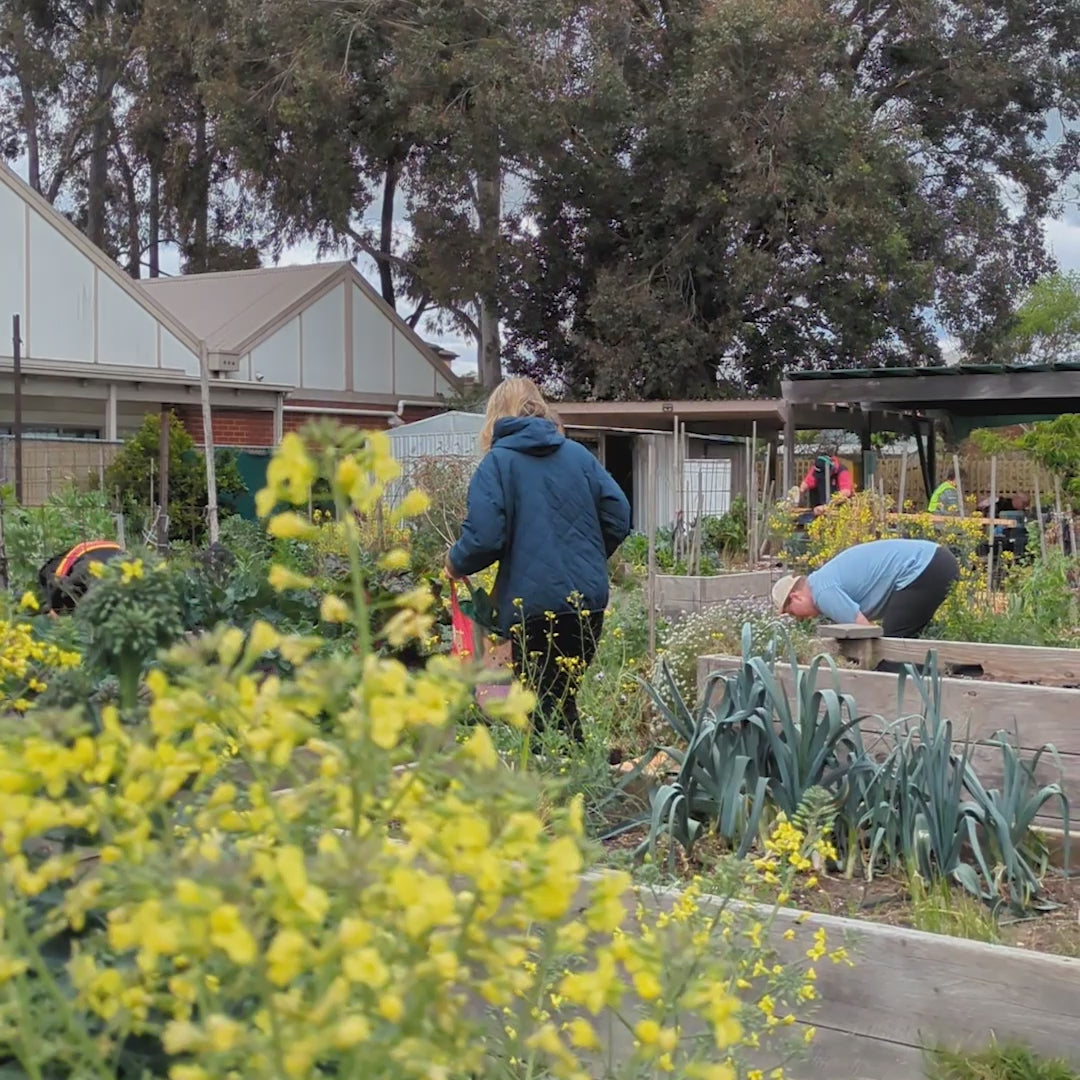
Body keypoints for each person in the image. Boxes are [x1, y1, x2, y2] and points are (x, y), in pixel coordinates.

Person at [446, 377, 631, 742]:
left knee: (541, 710)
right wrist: (587, 558)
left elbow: (483, 537)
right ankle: (582, 783)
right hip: (587, 604)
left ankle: (556, 790)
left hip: (533, 608)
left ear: (496, 416)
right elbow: (619, 516)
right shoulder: (578, 455)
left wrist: (454, 562)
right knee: (559, 702)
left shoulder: (497, 464)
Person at [771, 537, 959, 638]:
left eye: (792, 613)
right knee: (902, 642)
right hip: (935, 561)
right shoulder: (823, 582)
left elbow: (865, 632)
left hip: (924, 567)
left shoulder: (822, 592)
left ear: (796, 597)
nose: (797, 619)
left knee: (891, 651)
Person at [38, 540, 125, 614]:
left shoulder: (52, 572)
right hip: (121, 557)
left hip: (88, 566)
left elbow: (59, 586)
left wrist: (54, 608)